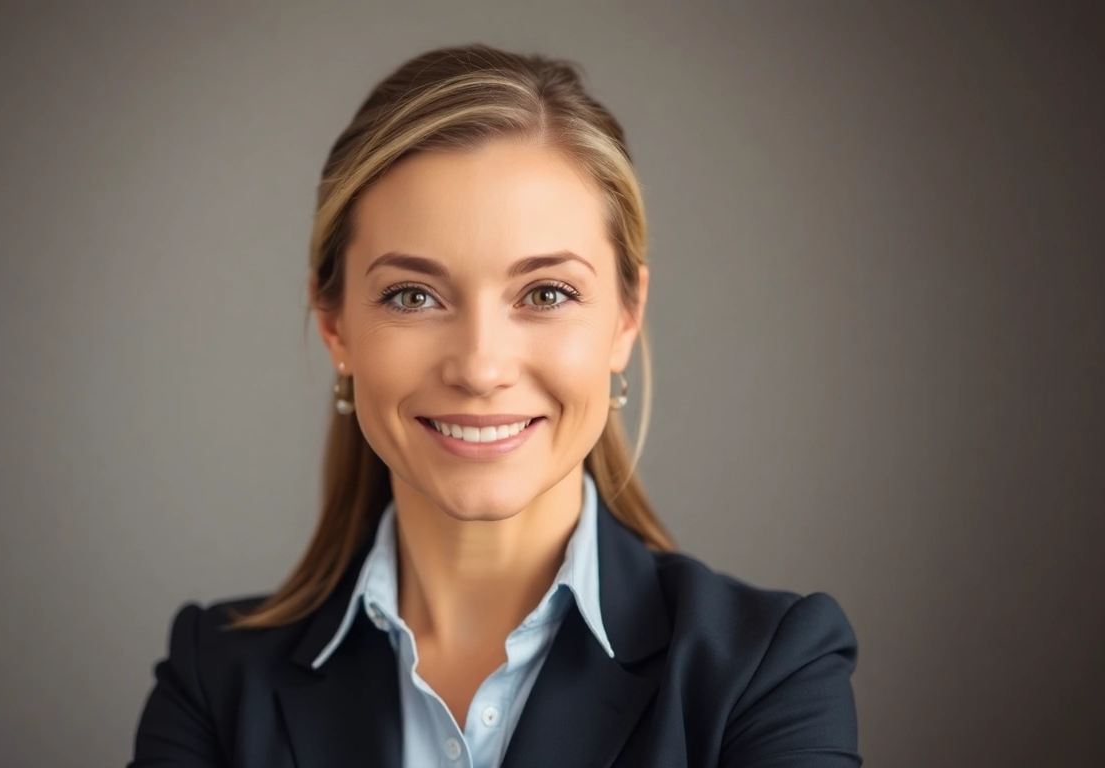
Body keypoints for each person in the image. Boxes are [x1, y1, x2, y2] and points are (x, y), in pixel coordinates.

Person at [129, 43, 860, 768]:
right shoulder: (213, 681)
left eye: (546, 294)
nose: (480, 368)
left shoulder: (769, 672)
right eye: (412, 296)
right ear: (335, 326)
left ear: (626, 318)